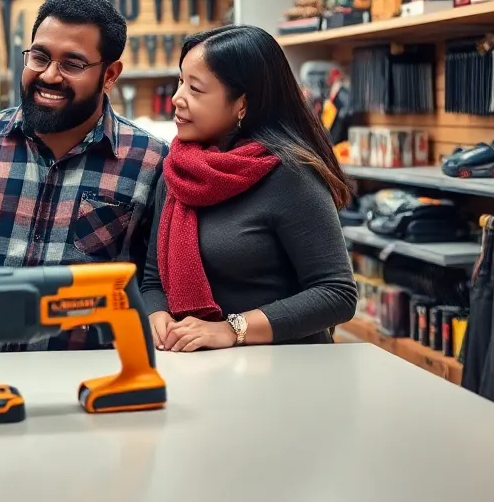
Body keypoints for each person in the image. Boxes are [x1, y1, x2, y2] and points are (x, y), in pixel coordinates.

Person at [0, 0, 168, 351]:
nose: (49, 76)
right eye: (39, 57)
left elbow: (156, 279)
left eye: (73, 64)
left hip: (85, 377)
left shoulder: (148, 161)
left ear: (109, 75)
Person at [141, 24, 357, 352]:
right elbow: (155, 280)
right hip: (202, 372)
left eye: (195, 89)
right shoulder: (178, 170)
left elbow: (336, 294)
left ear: (242, 103)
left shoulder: (289, 174)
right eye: (181, 81)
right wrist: (157, 316)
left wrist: (232, 329)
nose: (176, 98)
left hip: (288, 373)